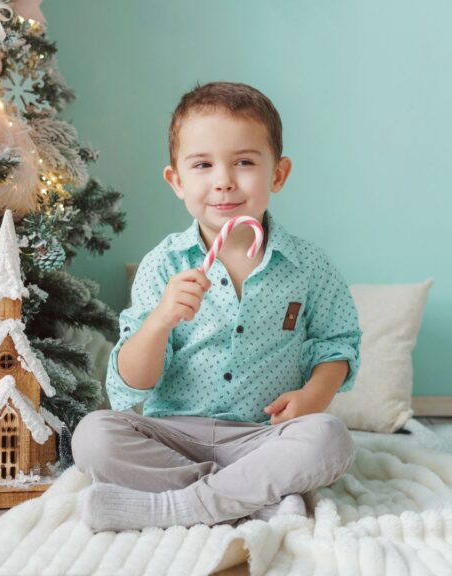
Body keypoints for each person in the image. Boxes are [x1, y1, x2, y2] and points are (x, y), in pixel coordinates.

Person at [72, 81, 361, 532]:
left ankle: (178, 508)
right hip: (174, 437)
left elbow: (337, 344)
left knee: (329, 438)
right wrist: (159, 321)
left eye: (244, 162)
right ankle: (250, 498)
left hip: (263, 437)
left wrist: (314, 396)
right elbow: (132, 383)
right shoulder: (162, 265)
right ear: (177, 181)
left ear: (278, 174)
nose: (224, 180)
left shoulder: (308, 266)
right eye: (203, 165)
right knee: (93, 436)